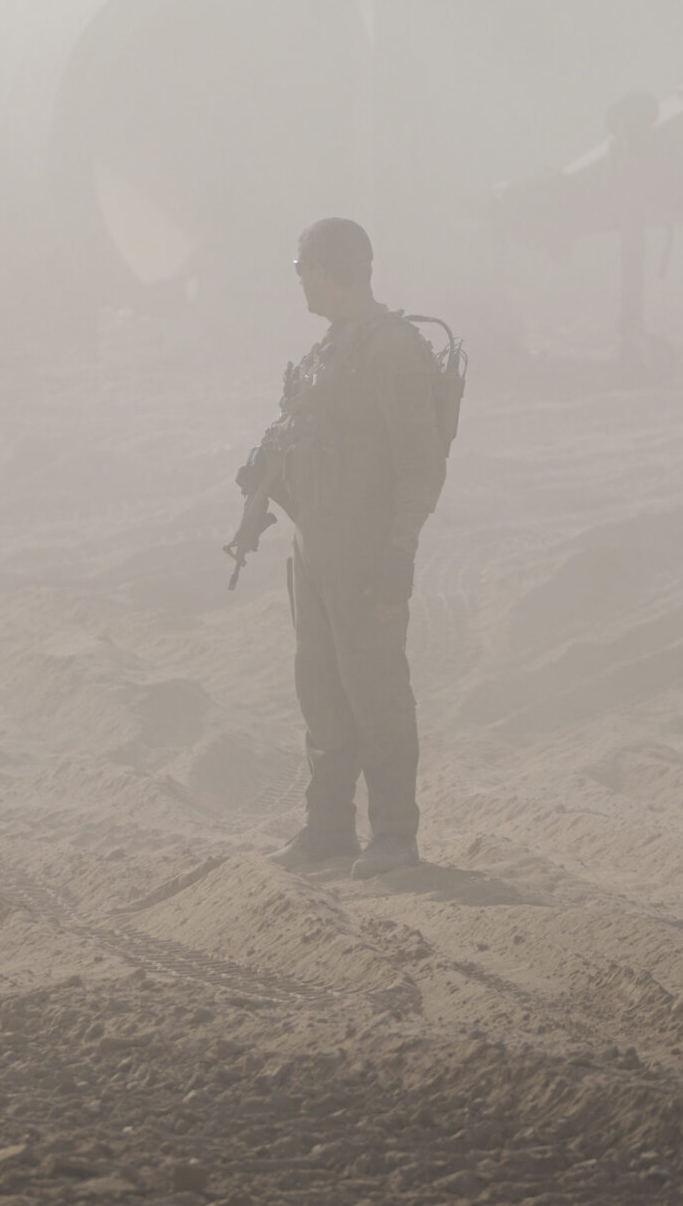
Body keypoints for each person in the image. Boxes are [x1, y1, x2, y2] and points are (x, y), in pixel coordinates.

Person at [250, 217, 449, 879]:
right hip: (316, 546)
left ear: (331, 269)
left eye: (303, 264)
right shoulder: (330, 350)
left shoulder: (391, 350)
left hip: (364, 552)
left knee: (376, 690)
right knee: (323, 688)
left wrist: (399, 555)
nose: (300, 277)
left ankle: (395, 834)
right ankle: (328, 828)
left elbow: (420, 465)